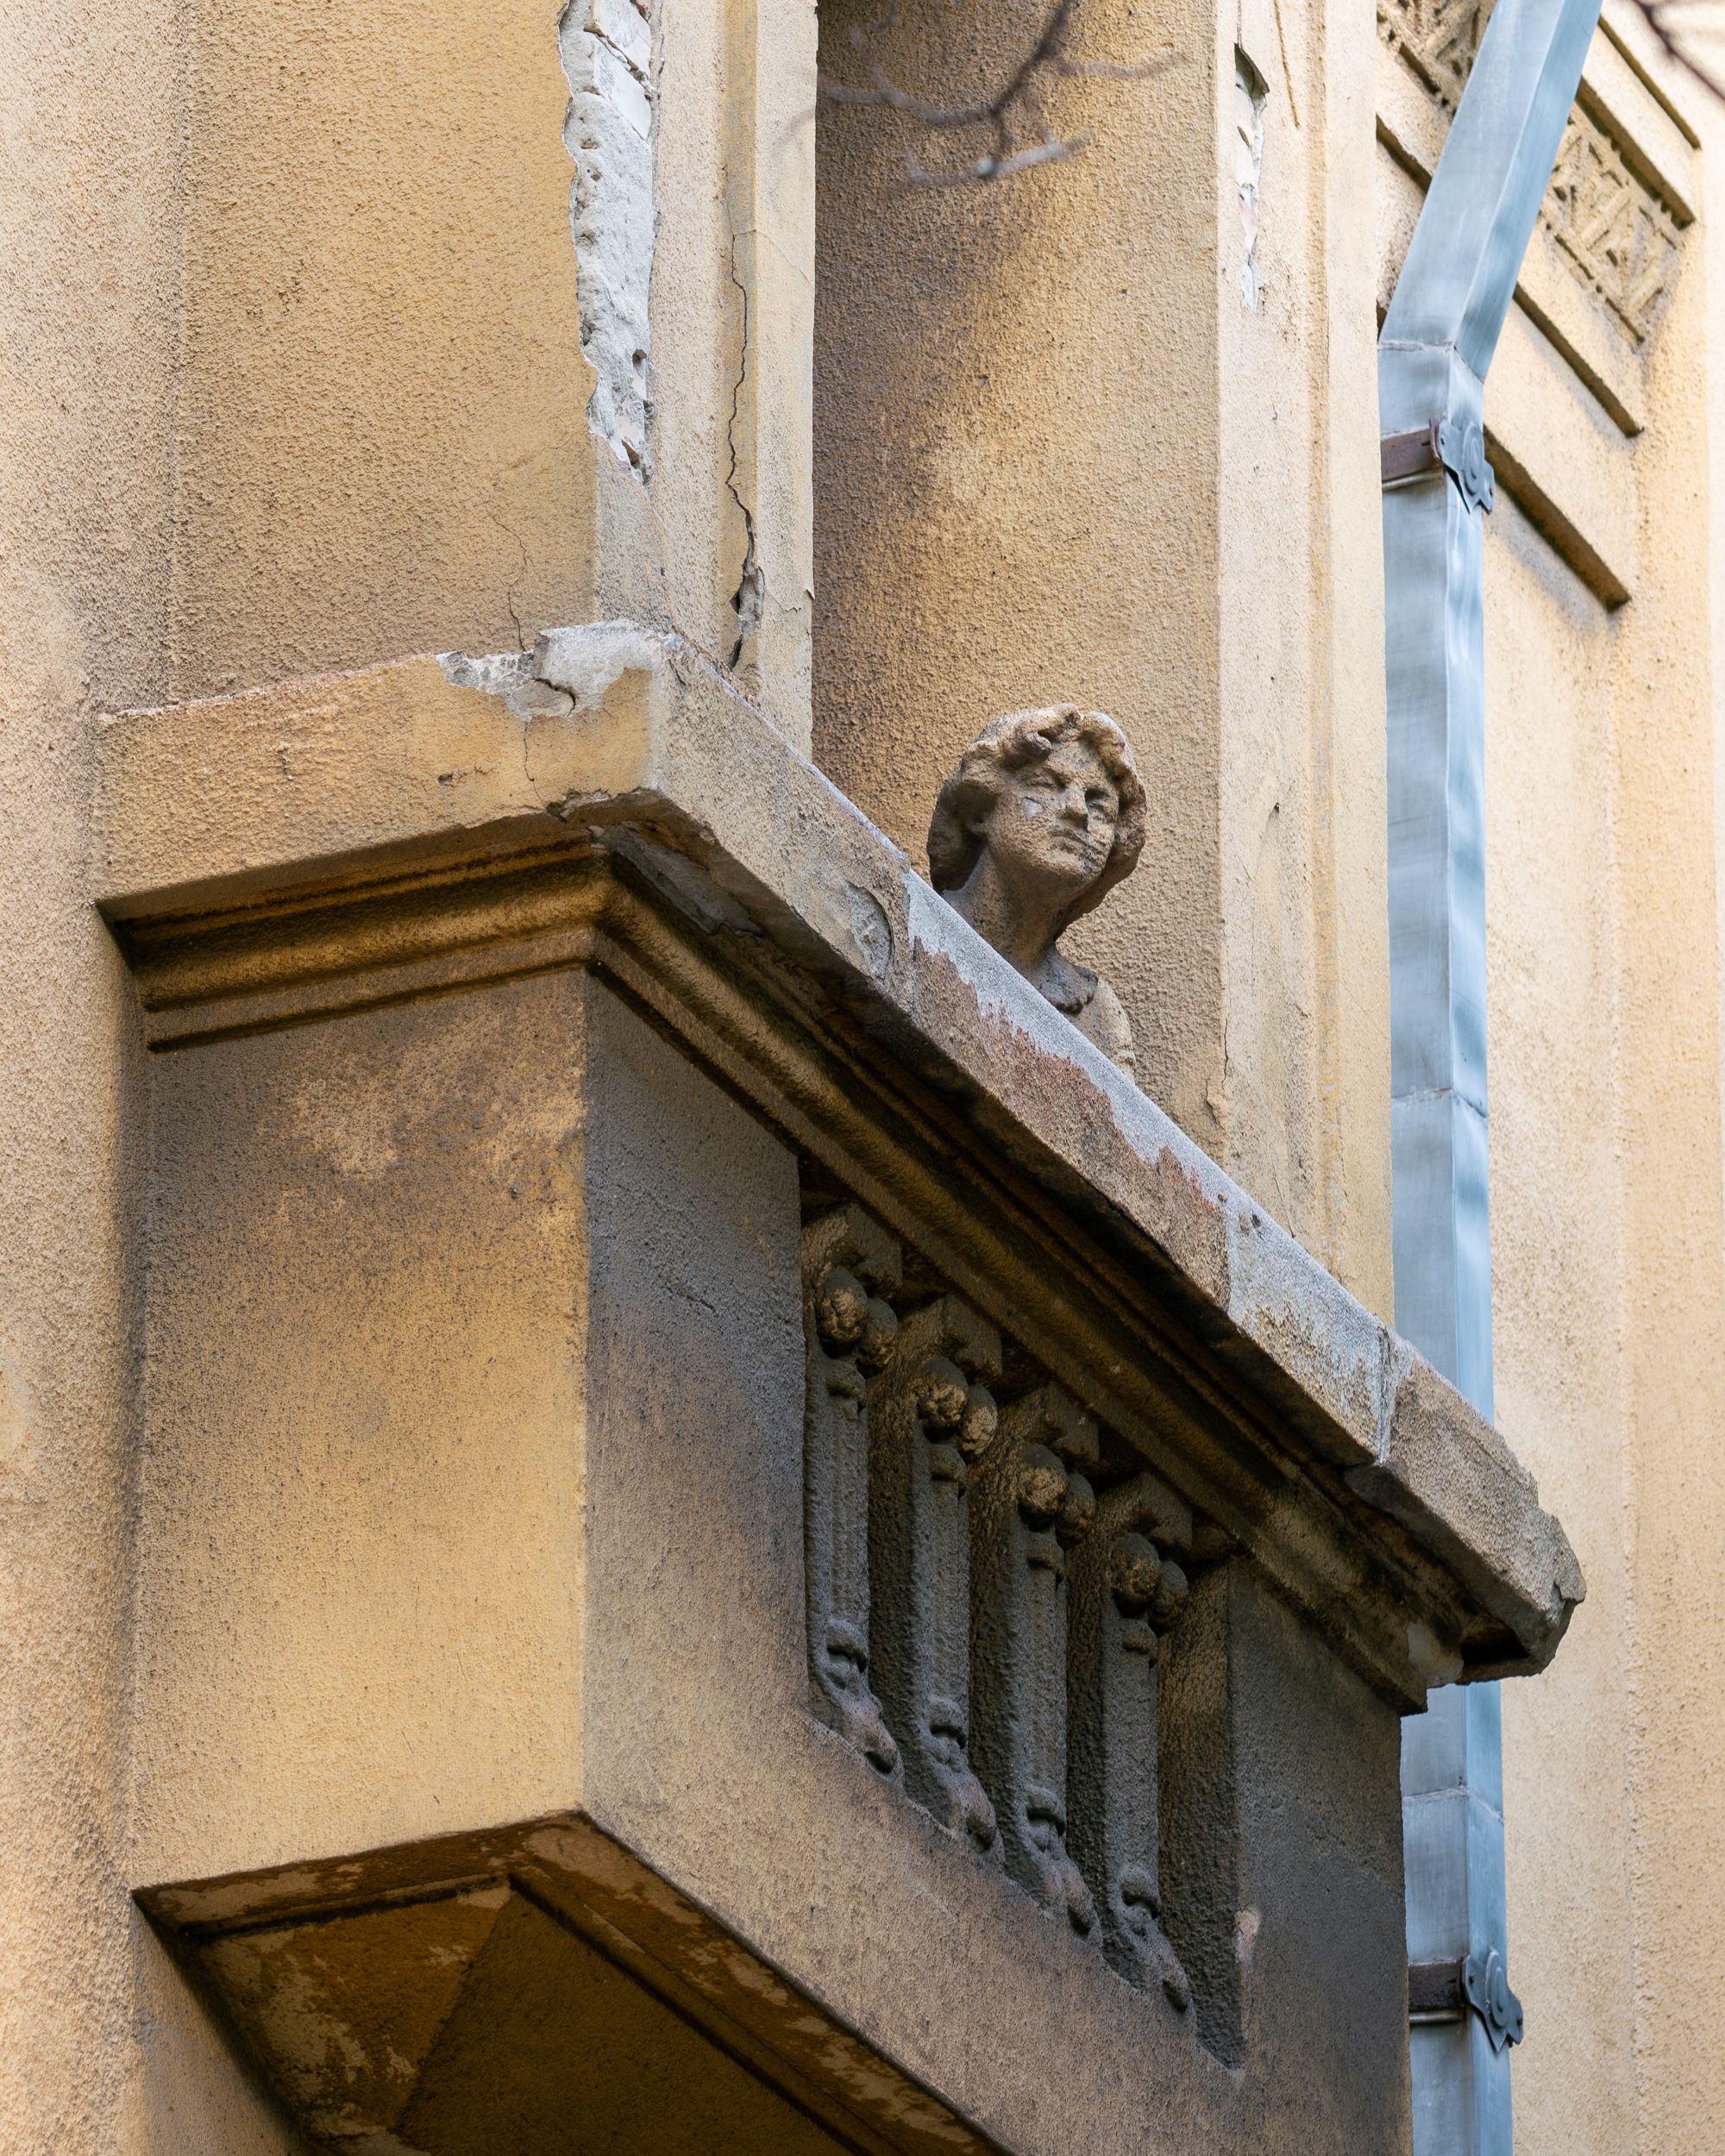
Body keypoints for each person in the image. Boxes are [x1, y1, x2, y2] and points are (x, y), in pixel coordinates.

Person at [927, 705, 1145, 1074]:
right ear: (980, 811)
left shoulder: (1098, 1019)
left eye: (1099, 806)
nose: (1077, 810)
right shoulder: (917, 924)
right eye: (1046, 786)